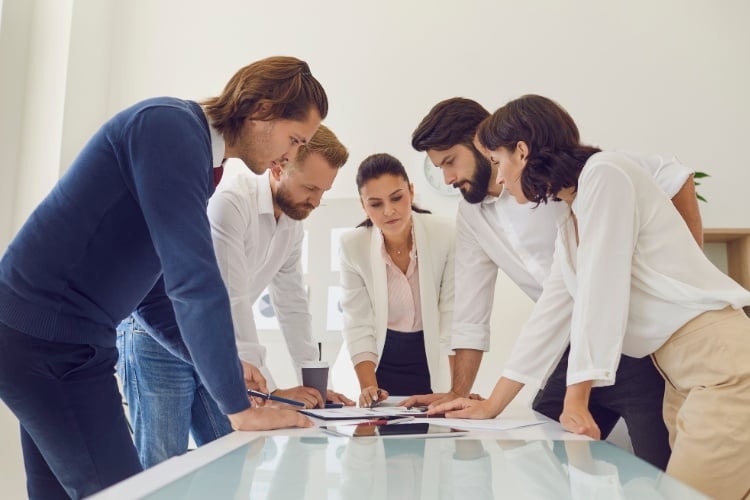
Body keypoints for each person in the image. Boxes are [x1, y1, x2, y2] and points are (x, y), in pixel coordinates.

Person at [0, 56, 324, 499]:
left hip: (55, 342)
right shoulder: (169, 129)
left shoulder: (192, 153)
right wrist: (237, 408)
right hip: (50, 345)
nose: (290, 156)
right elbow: (195, 281)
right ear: (262, 109)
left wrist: (227, 370)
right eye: (295, 138)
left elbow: (155, 297)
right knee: (126, 493)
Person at [431, 94, 750, 499]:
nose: (499, 179)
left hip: (720, 367)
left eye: (497, 162)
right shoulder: (571, 217)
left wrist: (577, 398)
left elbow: (603, 291)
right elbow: (554, 311)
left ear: (523, 152)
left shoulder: (605, 174)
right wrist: (492, 402)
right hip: (681, 377)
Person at [117, 125, 354, 469]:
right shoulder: (231, 203)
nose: (316, 201)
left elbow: (293, 306)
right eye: (310, 188)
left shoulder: (292, 224)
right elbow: (233, 299)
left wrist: (313, 389)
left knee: (234, 454)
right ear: (278, 167)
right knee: (163, 464)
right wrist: (268, 394)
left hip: (212, 343)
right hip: (159, 336)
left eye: (324, 191)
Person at [340, 153, 455, 408]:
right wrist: (368, 387)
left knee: (435, 440)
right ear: (363, 205)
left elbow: (451, 315)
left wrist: (457, 389)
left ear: (411, 192)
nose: (389, 211)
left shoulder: (445, 234)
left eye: (396, 198)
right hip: (378, 361)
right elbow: (358, 323)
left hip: (430, 357)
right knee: (378, 440)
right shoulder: (352, 246)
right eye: (376, 204)